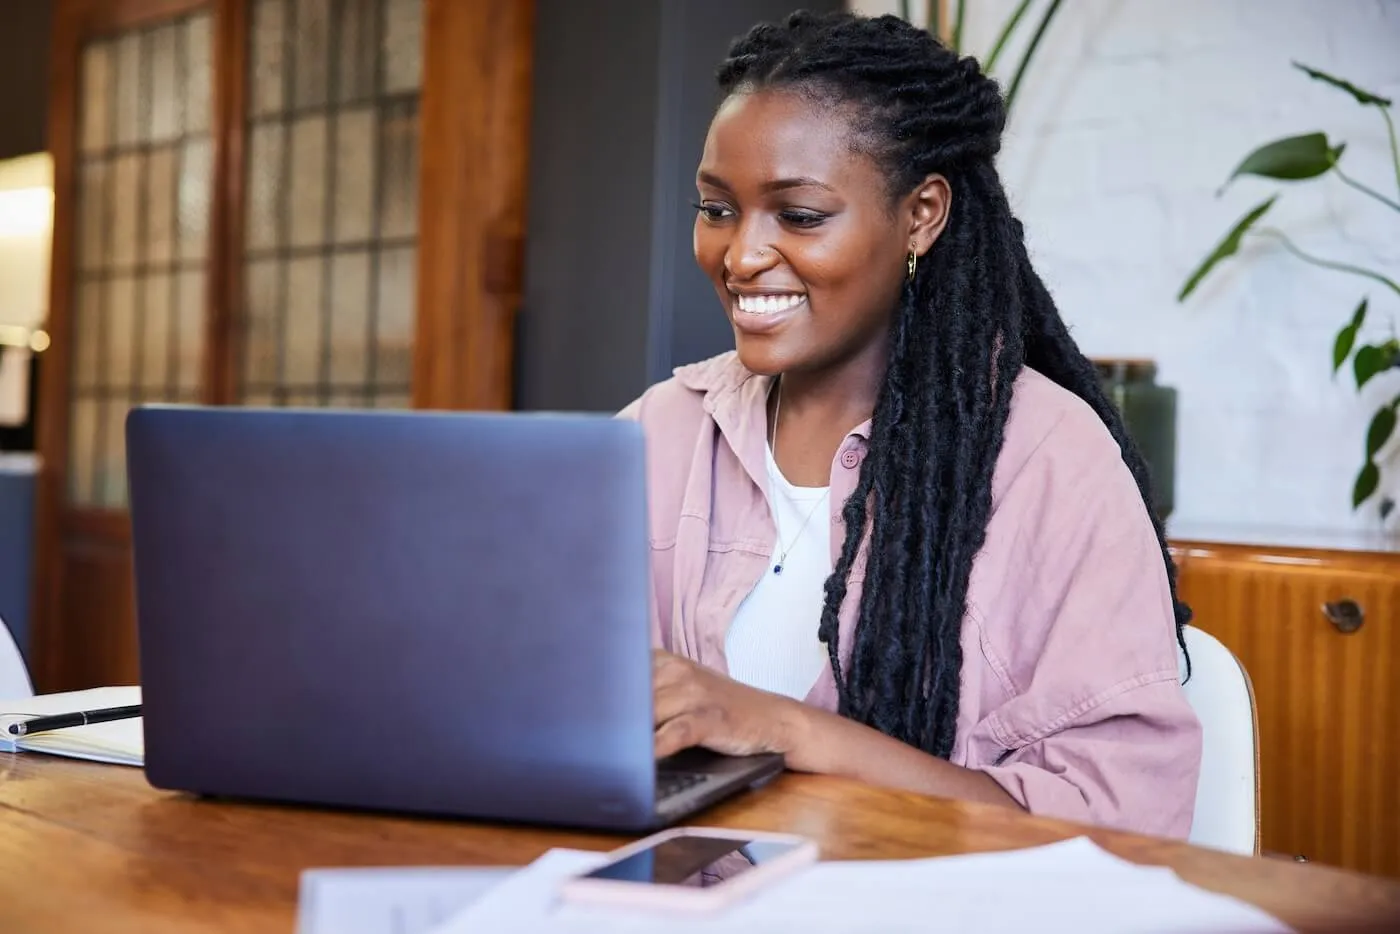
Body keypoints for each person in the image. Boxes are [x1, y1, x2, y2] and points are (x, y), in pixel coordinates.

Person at [620, 10, 1202, 838]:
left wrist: (786, 730)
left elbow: (1123, 829)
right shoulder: (661, 432)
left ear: (922, 214)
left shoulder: (1048, 459)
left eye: (800, 215)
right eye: (717, 209)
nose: (742, 255)